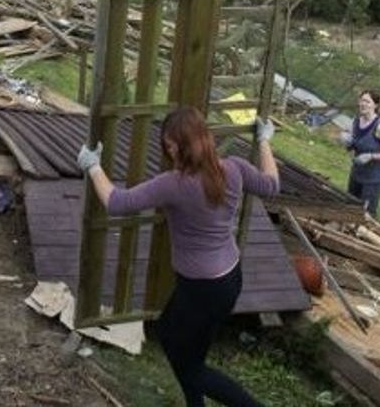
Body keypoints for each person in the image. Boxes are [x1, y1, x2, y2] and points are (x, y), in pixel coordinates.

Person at [77, 107, 279, 407]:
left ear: (178, 145)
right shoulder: (233, 168)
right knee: (171, 335)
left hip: (203, 289)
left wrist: (92, 166)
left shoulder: (175, 184)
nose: (168, 151)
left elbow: (116, 202)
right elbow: (271, 185)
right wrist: (264, 141)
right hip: (227, 279)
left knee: (191, 366)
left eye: (169, 145)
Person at [339, 89, 380, 217]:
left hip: (373, 179)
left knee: (365, 214)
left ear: (375, 105)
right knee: (349, 207)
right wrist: (347, 142)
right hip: (356, 174)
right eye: (361, 100)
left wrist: (372, 156)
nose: (363, 104)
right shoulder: (356, 121)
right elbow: (355, 146)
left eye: (367, 101)